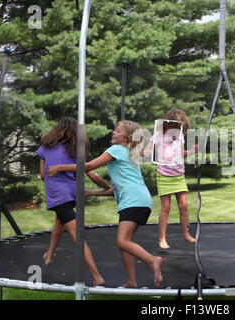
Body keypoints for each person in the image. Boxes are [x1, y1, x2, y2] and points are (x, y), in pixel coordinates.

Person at [47, 120, 163, 287]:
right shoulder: (129, 154)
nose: (113, 133)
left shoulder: (116, 150)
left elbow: (88, 166)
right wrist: (90, 192)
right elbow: (113, 189)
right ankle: (131, 281)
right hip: (141, 200)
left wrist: (59, 168)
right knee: (126, 242)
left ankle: (152, 260)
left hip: (133, 201)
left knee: (122, 241)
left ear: (127, 138)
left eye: (118, 131)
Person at [36, 117, 110, 287]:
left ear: (57, 130)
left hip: (58, 193)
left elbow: (42, 175)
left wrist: (55, 172)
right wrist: (106, 187)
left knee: (77, 236)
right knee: (59, 220)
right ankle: (49, 254)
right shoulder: (75, 150)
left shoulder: (45, 147)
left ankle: (96, 276)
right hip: (72, 192)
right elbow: (91, 173)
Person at [144, 108, 198, 249]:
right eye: (172, 125)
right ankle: (162, 238)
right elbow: (147, 150)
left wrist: (191, 152)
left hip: (179, 175)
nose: (174, 128)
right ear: (166, 124)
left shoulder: (180, 137)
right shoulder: (158, 135)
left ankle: (186, 234)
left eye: (178, 126)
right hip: (164, 175)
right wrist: (147, 151)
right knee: (166, 208)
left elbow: (181, 154)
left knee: (184, 206)